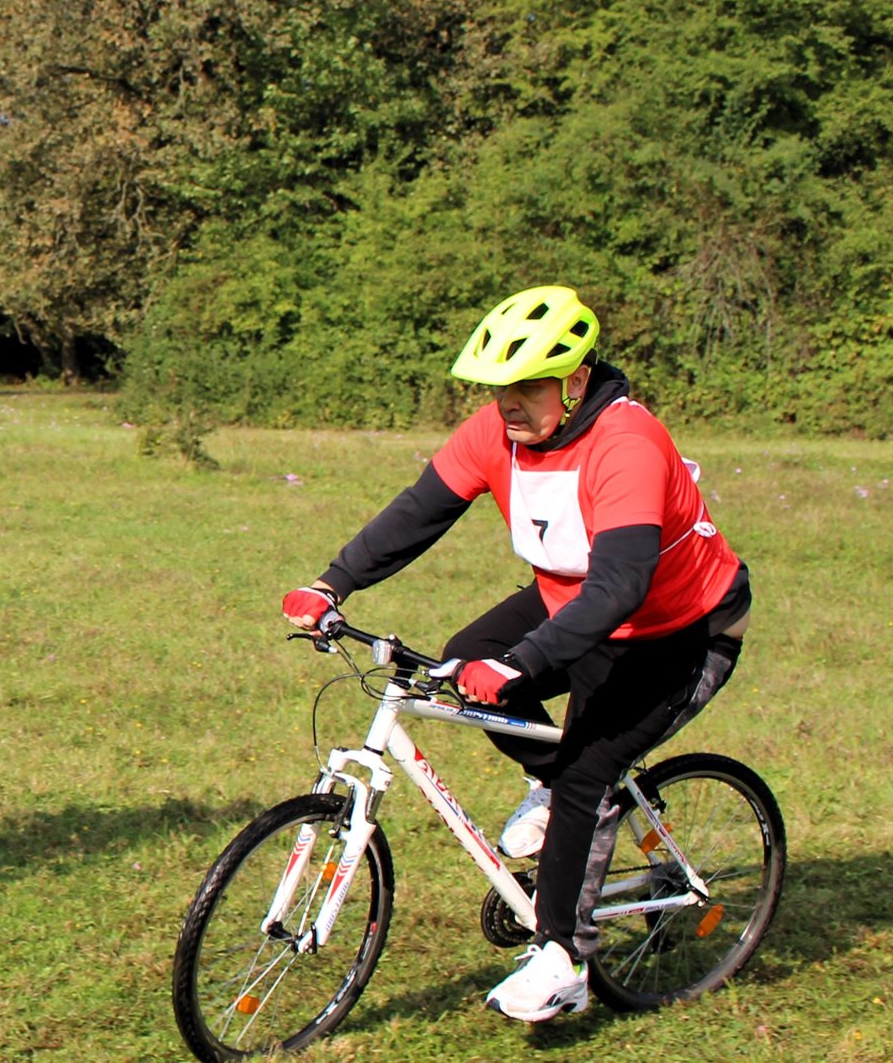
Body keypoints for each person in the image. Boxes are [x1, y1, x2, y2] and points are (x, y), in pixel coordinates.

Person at [281, 285, 750, 1023]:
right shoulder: (496, 434)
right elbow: (419, 512)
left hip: (678, 629)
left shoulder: (626, 444)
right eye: (498, 388)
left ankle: (563, 959)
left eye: (528, 386)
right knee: (469, 657)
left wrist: (522, 663)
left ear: (576, 381)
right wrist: (332, 582)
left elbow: (621, 586)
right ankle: (552, 785)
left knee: (586, 771)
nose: (508, 404)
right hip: (576, 601)